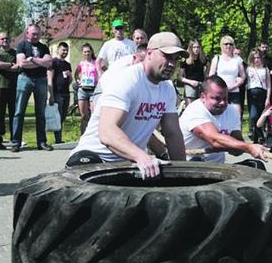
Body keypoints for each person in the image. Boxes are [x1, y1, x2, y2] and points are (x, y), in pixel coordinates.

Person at [67, 32, 188, 179]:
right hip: (94, 157)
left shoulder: (168, 89)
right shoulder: (127, 80)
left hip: (129, 162)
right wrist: (142, 157)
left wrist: (183, 172)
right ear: (149, 53)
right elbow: (107, 132)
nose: (172, 64)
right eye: (167, 56)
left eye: (176, 59)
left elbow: (172, 133)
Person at [180, 75, 268, 162]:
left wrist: (239, 147)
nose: (222, 103)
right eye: (217, 98)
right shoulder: (195, 110)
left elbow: (237, 148)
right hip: (189, 165)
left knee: (256, 166)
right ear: (203, 97)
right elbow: (214, 140)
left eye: (225, 98)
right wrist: (249, 147)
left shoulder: (231, 111)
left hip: (218, 167)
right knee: (196, 161)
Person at [11, 24, 54, 152]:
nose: (36, 36)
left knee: (41, 113)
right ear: (27, 33)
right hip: (25, 79)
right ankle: (15, 142)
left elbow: (49, 63)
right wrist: (40, 62)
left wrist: (33, 60)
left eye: (38, 34)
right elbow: (22, 63)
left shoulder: (44, 47)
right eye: (33, 33)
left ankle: (41, 142)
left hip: (41, 80)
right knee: (19, 112)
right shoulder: (22, 45)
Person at [208, 35, 246, 118]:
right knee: (220, 115)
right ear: (222, 45)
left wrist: (236, 84)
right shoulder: (217, 58)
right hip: (220, 92)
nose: (228, 46)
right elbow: (211, 76)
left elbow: (243, 76)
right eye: (226, 44)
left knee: (236, 116)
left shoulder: (238, 59)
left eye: (230, 44)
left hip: (234, 91)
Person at [0, 32, 18, 147]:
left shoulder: (15, 52)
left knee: (14, 114)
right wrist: (10, 64)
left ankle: (14, 139)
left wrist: (4, 66)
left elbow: (18, 67)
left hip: (13, 87)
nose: (5, 40)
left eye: (7, 38)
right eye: (2, 38)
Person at [47, 42, 72, 144]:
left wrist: (70, 76)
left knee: (63, 116)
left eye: (66, 50)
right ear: (58, 50)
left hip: (66, 93)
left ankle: (59, 137)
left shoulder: (67, 64)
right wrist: (51, 95)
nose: (65, 52)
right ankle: (58, 139)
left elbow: (69, 80)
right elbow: (50, 79)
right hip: (57, 93)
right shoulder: (54, 62)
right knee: (58, 116)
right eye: (63, 50)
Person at [246, 49, 271, 143]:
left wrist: (268, 98)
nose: (256, 60)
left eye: (258, 57)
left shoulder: (265, 69)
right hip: (252, 94)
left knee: (261, 116)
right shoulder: (249, 69)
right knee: (253, 116)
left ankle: (257, 138)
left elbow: (268, 85)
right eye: (254, 58)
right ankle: (259, 134)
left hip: (262, 93)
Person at [74, 43, 99, 134]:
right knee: (84, 115)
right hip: (83, 90)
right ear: (82, 53)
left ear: (91, 52)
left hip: (93, 90)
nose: (86, 53)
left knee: (94, 115)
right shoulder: (81, 64)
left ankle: (93, 135)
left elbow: (104, 70)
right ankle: (83, 135)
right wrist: (78, 81)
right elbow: (76, 74)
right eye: (85, 52)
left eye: (88, 51)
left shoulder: (96, 63)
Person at [178, 39, 207, 106]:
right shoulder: (185, 60)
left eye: (198, 47)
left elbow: (206, 75)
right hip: (190, 86)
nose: (196, 49)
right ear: (191, 48)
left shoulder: (203, 60)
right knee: (190, 107)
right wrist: (190, 82)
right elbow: (180, 77)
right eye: (194, 47)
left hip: (201, 85)